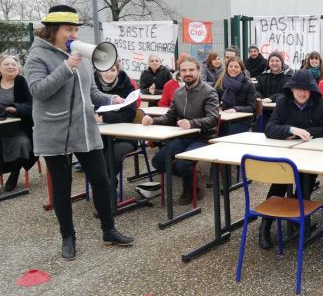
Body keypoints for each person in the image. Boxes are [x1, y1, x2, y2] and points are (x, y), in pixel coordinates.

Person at [24, 5, 134, 260]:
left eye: (75, 28)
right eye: (68, 29)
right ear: (53, 30)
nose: (73, 33)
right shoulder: (37, 56)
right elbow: (38, 91)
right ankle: (68, 237)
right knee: (61, 187)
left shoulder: (81, 56)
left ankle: (109, 230)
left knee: (101, 179)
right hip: (55, 129)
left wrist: (112, 99)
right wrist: (66, 67)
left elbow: (91, 93)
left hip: (84, 129)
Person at [258, 70, 323, 248]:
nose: (302, 92)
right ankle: (265, 224)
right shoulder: (283, 102)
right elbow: (270, 128)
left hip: (310, 155)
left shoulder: (320, 103)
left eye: (306, 89)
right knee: (280, 182)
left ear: (312, 90)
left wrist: (302, 133)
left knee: (305, 180)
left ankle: (301, 218)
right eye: (298, 88)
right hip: (286, 156)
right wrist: (289, 129)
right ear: (291, 89)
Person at [142, 56, 219, 205]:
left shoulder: (209, 92)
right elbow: (170, 117)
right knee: (158, 161)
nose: (187, 73)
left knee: (183, 163)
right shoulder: (178, 93)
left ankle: (190, 188)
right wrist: (153, 120)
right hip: (183, 137)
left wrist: (192, 123)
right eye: (184, 70)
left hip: (203, 138)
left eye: (191, 70)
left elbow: (213, 119)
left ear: (198, 71)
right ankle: (194, 177)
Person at [93, 60, 139, 187]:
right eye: (105, 70)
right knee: (94, 156)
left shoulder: (127, 85)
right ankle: (105, 185)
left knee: (109, 158)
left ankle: (109, 187)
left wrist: (103, 117)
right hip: (100, 134)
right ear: (99, 71)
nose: (109, 74)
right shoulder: (93, 86)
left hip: (124, 136)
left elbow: (129, 114)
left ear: (118, 71)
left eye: (113, 70)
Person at [0, 55, 38, 192]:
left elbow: (33, 105)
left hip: (21, 127)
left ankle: (14, 175)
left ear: (18, 68)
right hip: (1, 128)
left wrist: (16, 108)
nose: (10, 66)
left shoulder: (22, 82)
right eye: (6, 64)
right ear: (0, 68)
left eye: (13, 64)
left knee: (23, 143)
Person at [214, 57, 256, 135]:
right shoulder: (221, 82)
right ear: (227, 68)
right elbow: (215, 100)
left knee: (227, 134)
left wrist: (235, 109)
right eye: (230, 66)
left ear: (241, 69)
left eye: (236, 67)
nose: (233, 69)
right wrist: (218, 107)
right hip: (224, 119)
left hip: (242, 120)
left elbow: (252, 107)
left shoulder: (248, 84)